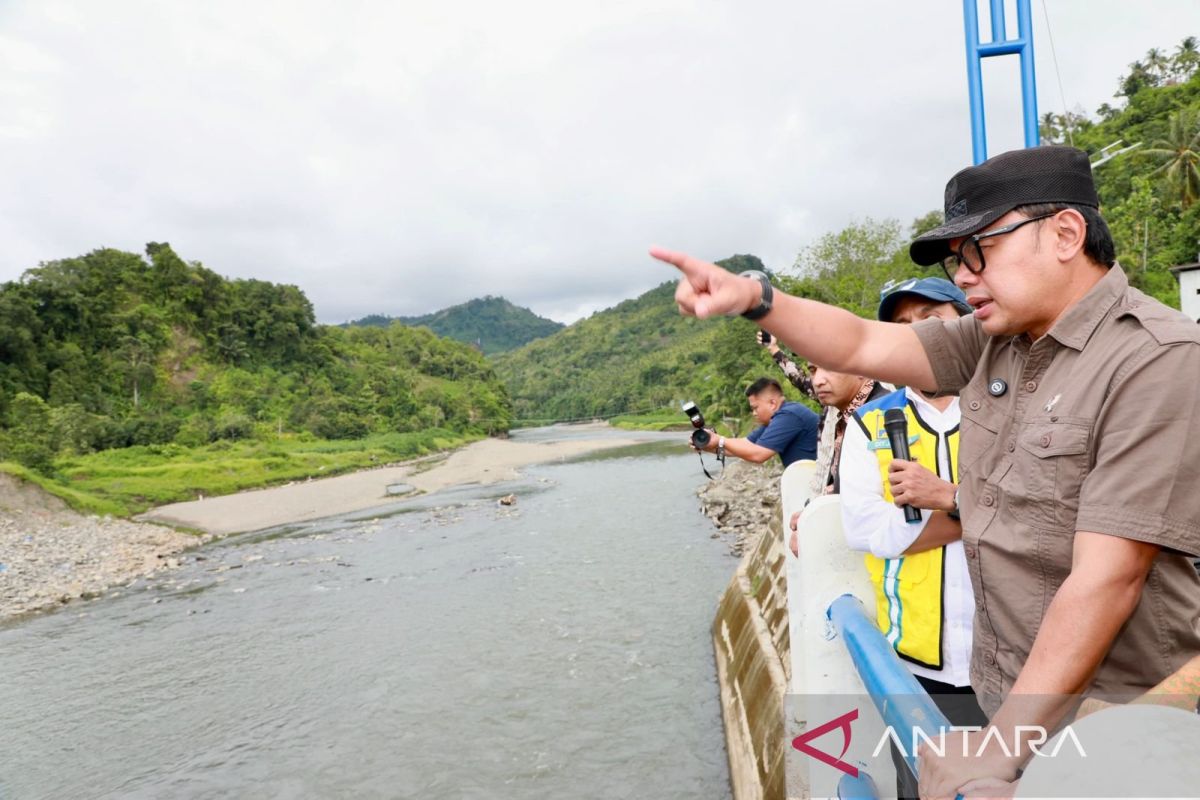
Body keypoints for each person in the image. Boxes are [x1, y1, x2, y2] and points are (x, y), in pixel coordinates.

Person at [652, 145, 1200, 798]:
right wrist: (755, 298)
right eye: (955, 258)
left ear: (1065, 233)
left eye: (981, 250)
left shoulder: (1156, 360)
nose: (964, 276)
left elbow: (1109, 577)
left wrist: (1003, 747)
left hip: (1118, 728)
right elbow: (859, 343)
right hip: (1012, 700)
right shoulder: (995, 344)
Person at [839, 277, 982, 800]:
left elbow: (1050, 510)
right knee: (922, 786)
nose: (917, 332)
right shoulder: (870, 423)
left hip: (1017, 660)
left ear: (968, 320)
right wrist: (981, 511)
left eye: (931, 315)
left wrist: (946, 497)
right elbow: (865, 531)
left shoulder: (1009, 404)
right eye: (900, 326)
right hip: (916, 664)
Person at [760, 330, 890, 497]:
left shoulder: (883, 412)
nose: (818, 380)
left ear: (860, 367)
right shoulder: (837, 403)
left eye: (829, 367)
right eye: (813, 370)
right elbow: (799, 378)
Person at [691, 377, 818, 468]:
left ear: (772, 403)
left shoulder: (789, 415)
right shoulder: (776, 418)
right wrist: (709, 446)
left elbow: (758, 455)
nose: (754, 413)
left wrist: (719, 439)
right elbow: (744, 445)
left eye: (755, 408)